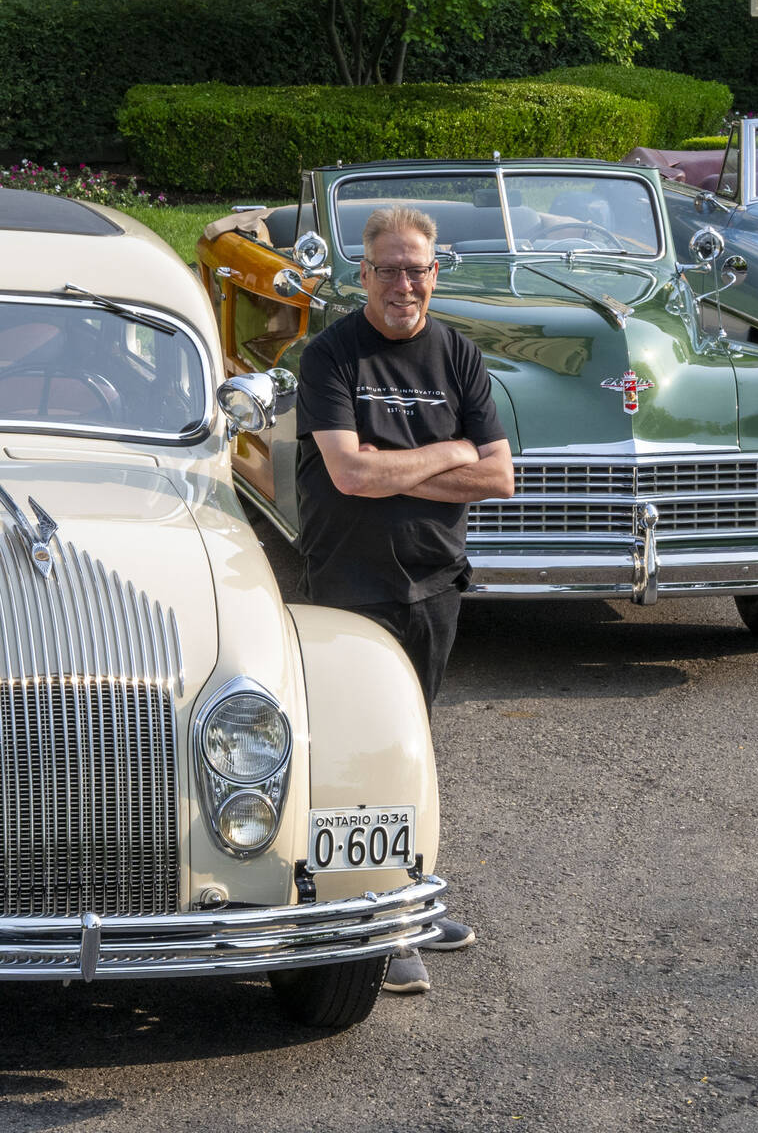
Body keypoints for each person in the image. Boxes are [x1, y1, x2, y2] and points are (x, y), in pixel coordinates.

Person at [293, 204, 513, 994]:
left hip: (434, 582)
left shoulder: (457, 355)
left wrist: (406, 461)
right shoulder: (332, 357)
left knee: (413, 749)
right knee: (354, 756)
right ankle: (369, 925)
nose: (403, 283)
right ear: (363, 275)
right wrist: (448, 451)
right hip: (351, 587)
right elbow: (350, 475)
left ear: (435, 272)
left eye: (416, 267)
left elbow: (499, 476)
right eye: (387, 268)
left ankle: (408, 898)